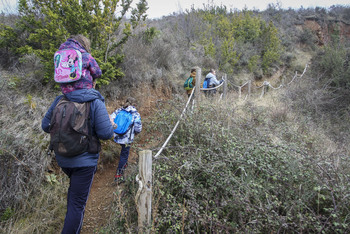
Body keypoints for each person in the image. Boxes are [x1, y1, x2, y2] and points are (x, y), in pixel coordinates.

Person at [41, 34, 114, 234]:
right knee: (77, 205)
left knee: (74, 197)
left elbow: (45, 126)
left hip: (63, 158)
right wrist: (111, 123)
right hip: (85, 161)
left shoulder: (59, 100)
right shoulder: (94, 100)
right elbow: (106, 134)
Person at [110, 97, 142, 184]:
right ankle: (118, 176)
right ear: (134, 104)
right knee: (124, 155)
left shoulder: (119, 110)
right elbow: (138, 128)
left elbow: (110, 118)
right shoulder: (135, 114)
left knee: (123, 153)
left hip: (117, 136)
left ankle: (124, 164)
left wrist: (115, 128)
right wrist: (135, 133)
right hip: (127, 139)